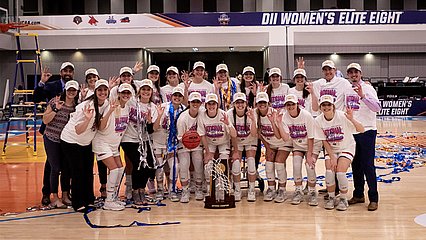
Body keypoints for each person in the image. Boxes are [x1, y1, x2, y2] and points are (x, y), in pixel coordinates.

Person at [60, 79, 110, 212]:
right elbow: (78, 130)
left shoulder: (106, 105)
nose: (102, 92)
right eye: (100, 90)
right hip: (71, 140)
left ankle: (89, 199)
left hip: (86, 142)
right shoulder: (85, 106)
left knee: (88, 171)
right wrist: (87, 118)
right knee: (78, 172)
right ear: (95, 92)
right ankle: (78, 202)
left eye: (105, 90)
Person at [314, 95, 364, 211]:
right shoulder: (318, 120)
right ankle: (331, 197)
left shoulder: (342, 116)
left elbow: (361, 130)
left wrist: (351, 119)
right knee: (329, 171)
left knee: (340, 173)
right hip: (331, 149)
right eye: (324, 105)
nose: (326, 107)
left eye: (329, 104)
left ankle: (343, 198)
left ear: (333, 106)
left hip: (346, 146)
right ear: (321, 107)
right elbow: (324, 140)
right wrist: (332, 156)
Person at [34, 61, 74, 206]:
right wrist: (41, 83)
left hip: (66, 136)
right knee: (51, 165)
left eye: (70, 71)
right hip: (51, 132)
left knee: (65, 165)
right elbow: (36, 99)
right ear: (61, 72)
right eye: (65, 71)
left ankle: (65, 193)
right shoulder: (51, 86)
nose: (68, 73)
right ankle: (47, 193)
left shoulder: (74, 90)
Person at [345, 63, 381, 211]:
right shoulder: (347, 89)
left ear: (360, 73)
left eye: (356, 72)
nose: (353, 75)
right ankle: (358, 194)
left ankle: (373, 198)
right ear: (348, 75)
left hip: (367, 131)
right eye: (351, 73)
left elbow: (377, 108)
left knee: (368, 165)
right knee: (356, 166)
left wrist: (363, 97)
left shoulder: (368, 88)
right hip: (352, 132)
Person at [92, 83, 133, 211]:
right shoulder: (110, 105)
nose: (125, 95)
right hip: (102, 142)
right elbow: (101, 126)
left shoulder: (127, 108)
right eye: (123, 93)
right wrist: (110, 111)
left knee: (120, 169)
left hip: (114, 145)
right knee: (114, 169)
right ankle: (108, 200)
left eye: (128, 93)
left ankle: (114, 197)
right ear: (118, 94)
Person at [120, 79, 158, 206]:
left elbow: (151, 130)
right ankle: (135, 191)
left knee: (150, 165)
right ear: (139, 91)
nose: (146, 92)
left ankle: (142, 189)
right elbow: (121, 93)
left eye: (148, 90)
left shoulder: (153, 107)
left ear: (152, 92)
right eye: (143, 89)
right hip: (129, 139)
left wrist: (149, 122)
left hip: (144, 140)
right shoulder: (132, 102)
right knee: (138, 163)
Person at [276, 94, 319, 206]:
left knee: (309, 166)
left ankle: (313, 191)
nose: (290, 106)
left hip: (313, 143)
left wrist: (309, 155)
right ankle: (298, 190)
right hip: (298, 144)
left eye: (293, 104)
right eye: (288, 104)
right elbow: (285, 138)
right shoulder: (284, 117)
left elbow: (311, 137)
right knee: (296, 165)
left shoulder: (306, 115)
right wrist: (279, 123)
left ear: (297, 104)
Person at [42, 80, 79, 208]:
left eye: (74, 90)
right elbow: (45, 120)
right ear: (65, 90)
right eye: (69, 90)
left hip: (65, 140)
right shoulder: (55, 101)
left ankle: (65, 195)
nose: (71, 92)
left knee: (66, 169)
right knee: (55, 168)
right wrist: (55, 109)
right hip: (51, 138)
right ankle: (54, 197)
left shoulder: (76, 106)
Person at [198, 93, 236, 198]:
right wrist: (208, 152)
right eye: (209, 104)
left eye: (213, 104)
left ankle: (223, 187)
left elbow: (234, 134)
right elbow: (202, 135)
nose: (211, 106)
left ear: (217, 105)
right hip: (209, 142)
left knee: (223, 163)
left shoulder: (224, 114)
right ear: (205, 105)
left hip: (223, 141)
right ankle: (210, 189)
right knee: (208, 165)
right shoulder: (202, 116)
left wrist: (228, 124)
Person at [254, 92, 289, 203]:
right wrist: (267, 146)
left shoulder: (275, 113)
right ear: (256, 104)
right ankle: (271, 188)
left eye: (264, 102)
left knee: (279, 163)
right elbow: (258, 133)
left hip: (283, 142)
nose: (262, 105)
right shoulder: (255, 114)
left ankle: (282, 189)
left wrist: (273, 122)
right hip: (270, 143)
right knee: (268, 164)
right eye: (260, 103)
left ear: (268, 103)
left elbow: (279, 136)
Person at [153, 86, 185, 201]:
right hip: (158, 140)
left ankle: (172, 190)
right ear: (171, 96)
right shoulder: (163, 107)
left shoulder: (184, 110)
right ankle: (160, 189)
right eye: (175, 95)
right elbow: (154, 127)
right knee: (159, 167)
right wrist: (160, 116)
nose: (177, 98)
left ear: (182, 98)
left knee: (175, 166)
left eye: (179, 96)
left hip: (173, 143)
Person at [227, 93, 257, 202]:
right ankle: (237, 190)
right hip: (237, 142)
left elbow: (254, 134)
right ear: (234, 104)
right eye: (237, 102)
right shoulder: (229, 114)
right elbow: (232, 135)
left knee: (251, 163)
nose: (240, 105)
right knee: (235, 164)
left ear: (246, 103)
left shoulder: (251, 113)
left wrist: (253, 120)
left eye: (242, 102)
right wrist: (235, 150)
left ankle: (252, 190)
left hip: (250, 140)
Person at [177, 92, 204, 203]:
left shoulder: (202, 114)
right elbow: (180, 137)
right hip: (183, 142)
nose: (195, 104)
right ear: (189, 103)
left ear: (200, 103)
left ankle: (198, 188)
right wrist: (190, 141)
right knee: (184, 165)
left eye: (197, 102)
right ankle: (185, 190)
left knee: (198, 164)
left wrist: (197, 142)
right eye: (193, 102)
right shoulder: (182, 118)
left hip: (198, 143)